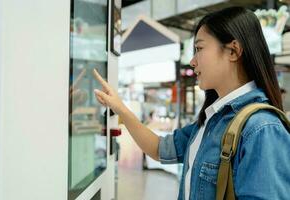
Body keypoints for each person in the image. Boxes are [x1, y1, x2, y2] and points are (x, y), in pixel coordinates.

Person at [93, 6, 290, 200]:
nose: (192, 61)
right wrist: (119, 107)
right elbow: (160, 148)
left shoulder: (262, 129)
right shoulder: (211, 121)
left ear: (233, 51)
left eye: (199, 48)